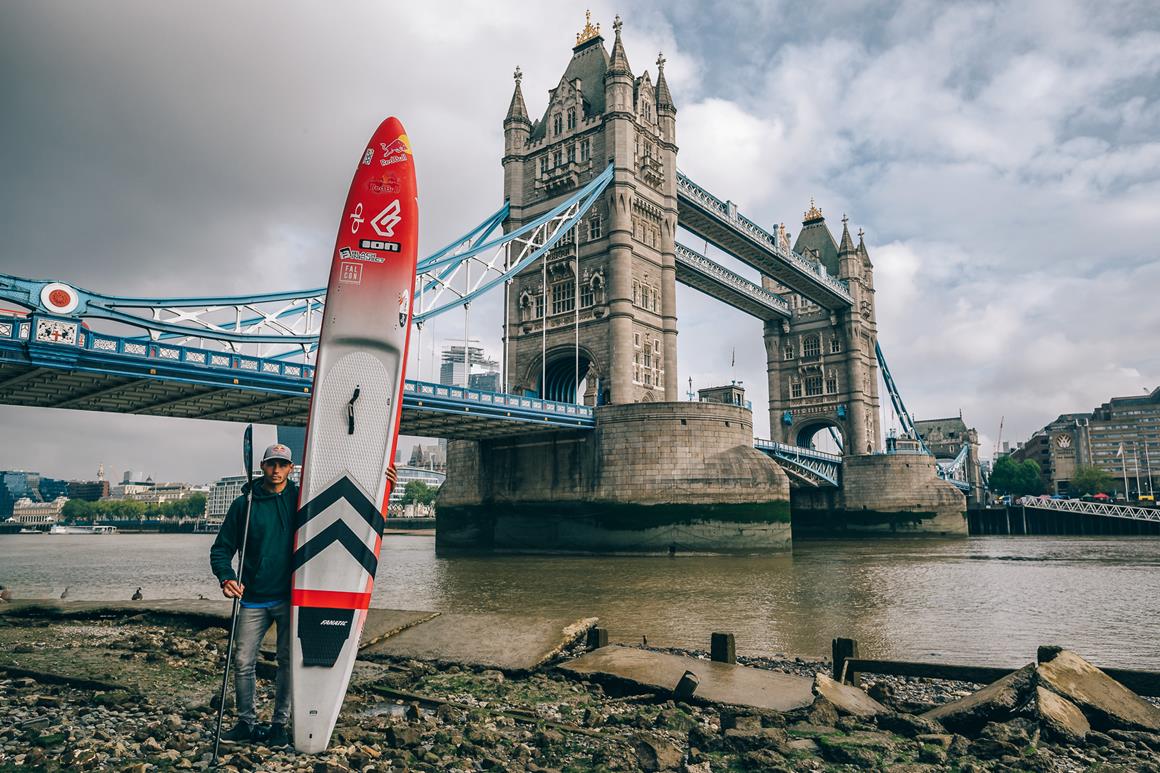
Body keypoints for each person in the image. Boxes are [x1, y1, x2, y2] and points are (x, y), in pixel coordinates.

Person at [210, 442, 298, 747]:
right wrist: (226, 578)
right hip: (252, 597)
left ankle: (279, 725)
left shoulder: (301, 499)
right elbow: (221, 549)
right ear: (262, 466)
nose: (276, 470)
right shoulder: (243, 505)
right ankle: (246, 723)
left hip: (289, 597)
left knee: (287, 662)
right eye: (271, 464)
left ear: (291, 468)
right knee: (243, 660)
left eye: (282, 465)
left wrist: (386, 483)